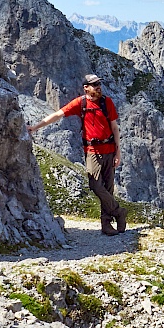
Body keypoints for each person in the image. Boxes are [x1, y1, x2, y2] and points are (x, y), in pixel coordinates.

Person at [28, 74, 128, 236]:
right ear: (86, 88)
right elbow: (57, 115)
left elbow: (115, 128)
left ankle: (106, 224)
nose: (98, 87)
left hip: (109, 150)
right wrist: (35, 127)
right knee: (96, 186)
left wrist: (118, 151)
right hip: (92, 152)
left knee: (108, 189)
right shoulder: (80, 103)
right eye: (94, 85)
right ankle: (119, 212)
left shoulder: (106, 102)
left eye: (99, 84)